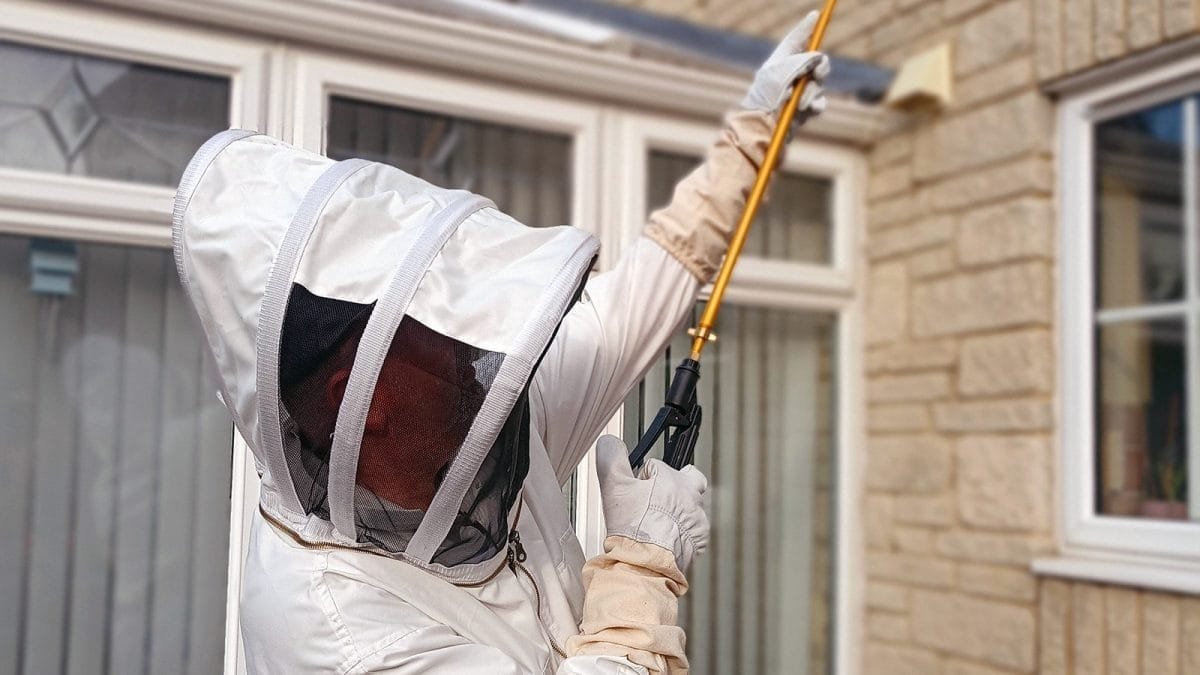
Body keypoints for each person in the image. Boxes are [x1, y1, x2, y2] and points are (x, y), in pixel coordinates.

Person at [171, 10, 828, 674]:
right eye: (442, 334)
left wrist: (754, 137)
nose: (479, 350)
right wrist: (642, 567)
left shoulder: (469, 426)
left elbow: (640, 295)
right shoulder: (330, 631)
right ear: (366, 394)